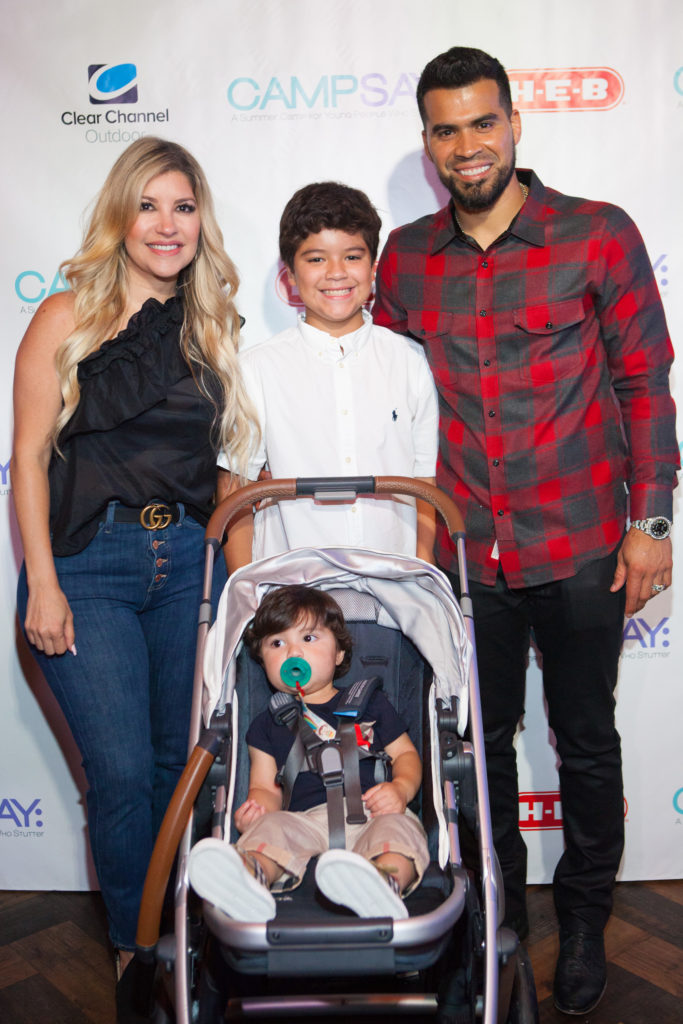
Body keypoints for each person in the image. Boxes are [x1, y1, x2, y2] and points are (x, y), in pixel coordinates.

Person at [373, 46, 679, 1016]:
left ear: (513, 124)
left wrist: (651, 521)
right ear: (427, 142)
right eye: (444, 128)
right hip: (462, 556)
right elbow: (383, 394)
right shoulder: (404, 257)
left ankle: (584, 921)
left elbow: (644, 387)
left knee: (585, 742)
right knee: (481, 744)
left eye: (480, 122)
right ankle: (500, 913)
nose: (465, 145)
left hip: (584, 542)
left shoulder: (596, 234)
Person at [11, 137, 255, 1005]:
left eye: (183, 207)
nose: (166, 224)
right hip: (88, 565)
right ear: (121, 215)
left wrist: (238, 585)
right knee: (117, 774)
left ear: (200, 222)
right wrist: (41, 580)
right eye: (148, 205)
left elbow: (225, 469)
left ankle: (179, 930)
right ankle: (134, 950)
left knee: (173, 767)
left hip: (184, 562)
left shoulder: (210, 326)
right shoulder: (64, 317)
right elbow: (30, 459)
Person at [217, 181, 439, 571]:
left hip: (393, 586)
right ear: (289, 276)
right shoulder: (256, 368)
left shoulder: (409, 360)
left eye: (352, 256)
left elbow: (424, 482)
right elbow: (235, 490)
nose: (336, 273)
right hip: (291, 594)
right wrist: (245, 589)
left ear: (373, 268)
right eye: (316, 259)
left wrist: (421, 566)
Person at [188, 585, 429, 921]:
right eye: (277, 643)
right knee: (271, 829)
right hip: (303, 820)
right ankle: (249, 875)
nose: (293, 652)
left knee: (398, 831)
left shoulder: (371, 702)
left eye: (309, 639)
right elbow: (265, 787)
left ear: (339, 654)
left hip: (373, 812)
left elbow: (406, 755)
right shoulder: (266, 724)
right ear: (262, 659)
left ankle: (382, 882)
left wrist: (401, 789)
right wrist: (258, 810)